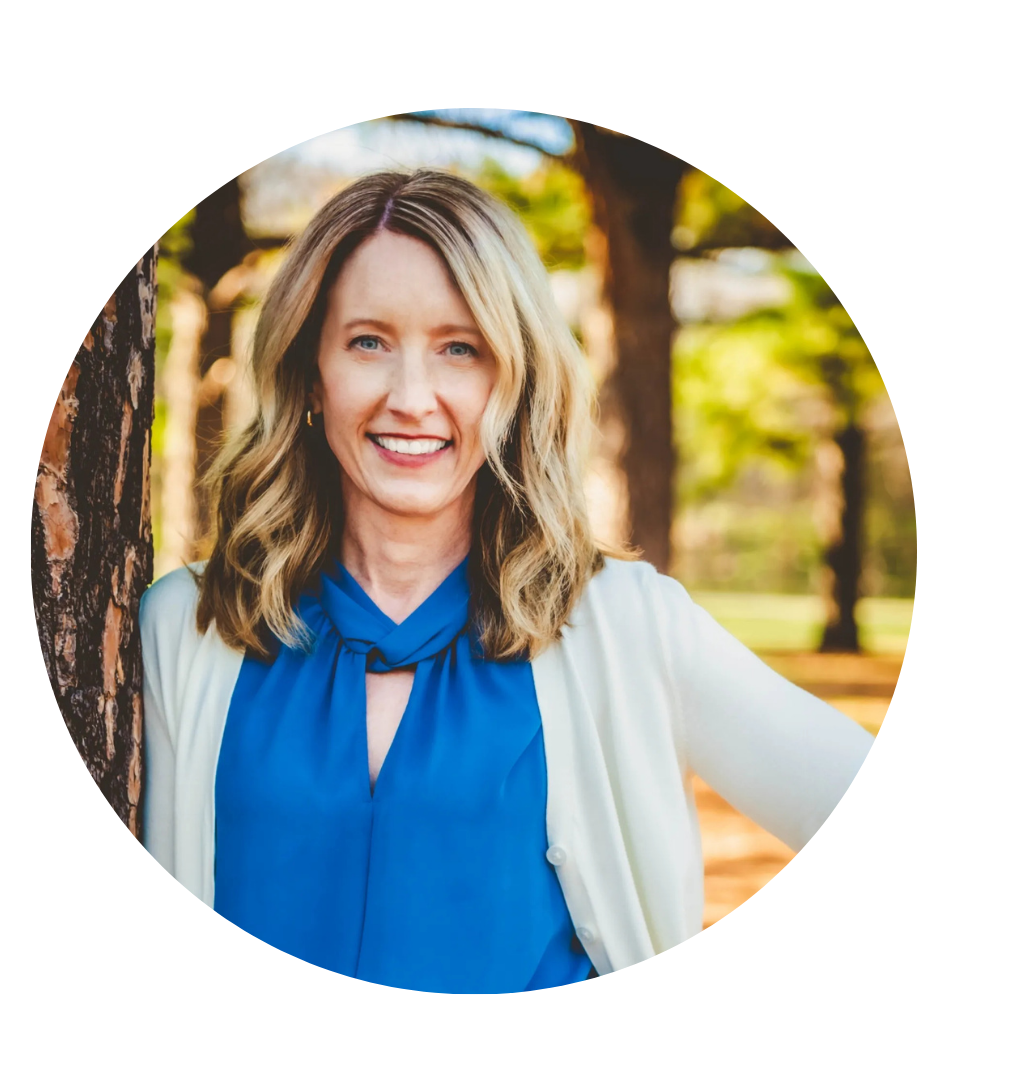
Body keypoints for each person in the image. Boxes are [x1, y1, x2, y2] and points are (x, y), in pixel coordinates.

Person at [140, 169, 875, 992]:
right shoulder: (186, 628)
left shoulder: (625, 627)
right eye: (369, 341)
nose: (412, 397)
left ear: (514, 379)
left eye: (461, 348)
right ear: (312, 371)